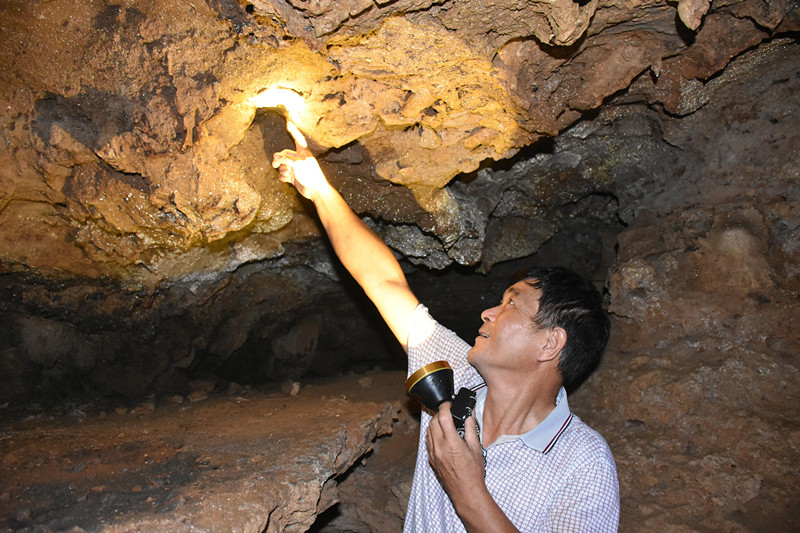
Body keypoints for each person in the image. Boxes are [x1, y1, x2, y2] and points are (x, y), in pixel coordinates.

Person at [272, 120, 620, 532]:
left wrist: (468, 490)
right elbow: (383, 281)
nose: (488, 312)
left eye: (511, 304)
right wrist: (320, 190)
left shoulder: (583, 462)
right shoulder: (455, 378)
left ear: (550, 343)